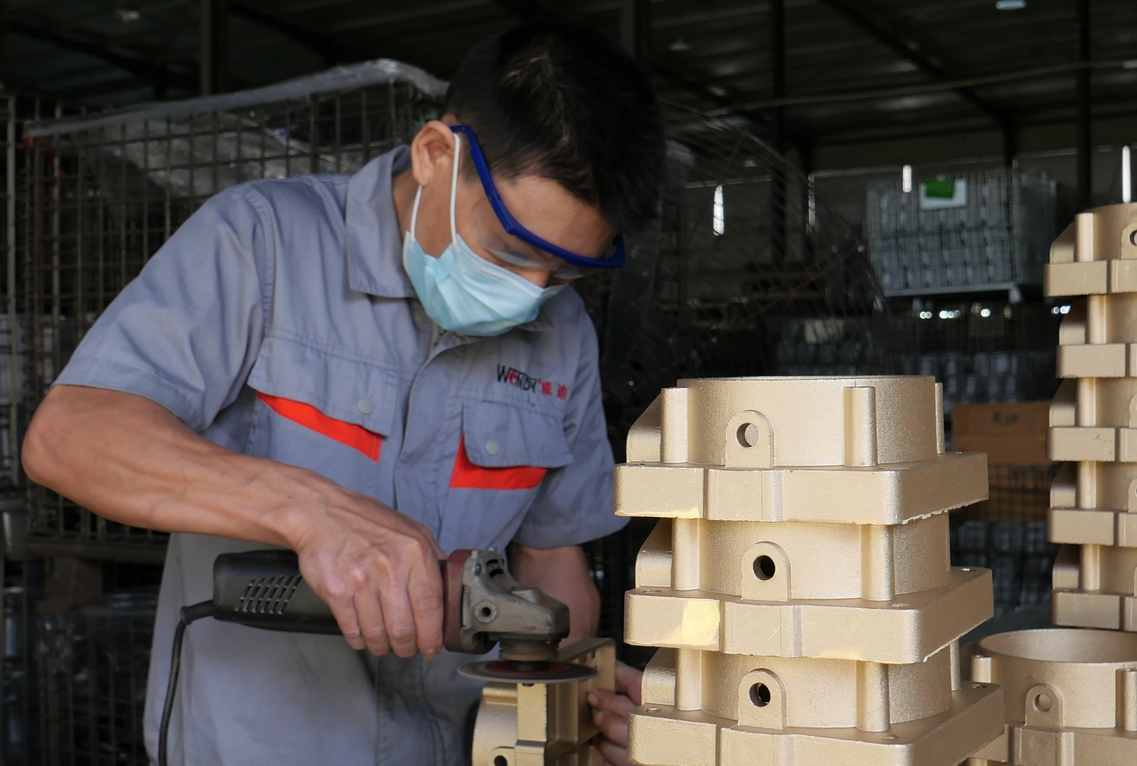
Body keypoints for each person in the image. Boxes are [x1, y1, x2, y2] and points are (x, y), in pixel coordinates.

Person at [22, 22, 664, 766]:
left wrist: (575, 694)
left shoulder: (565, 332)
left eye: (563, 271)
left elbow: (554, 562)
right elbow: (70, 436)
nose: (530, 293)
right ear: (436, 155)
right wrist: (310, 512)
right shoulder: (262, 242)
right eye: (509, 252)